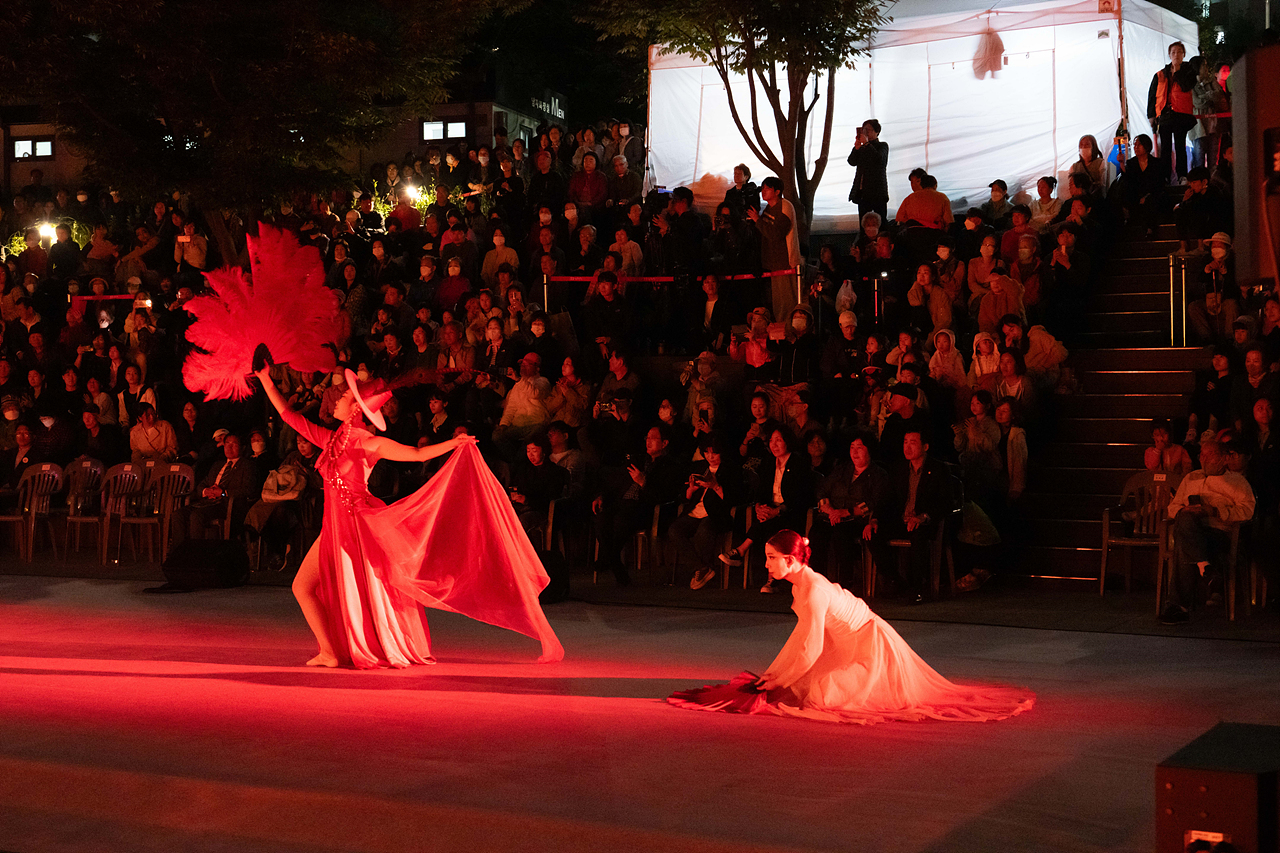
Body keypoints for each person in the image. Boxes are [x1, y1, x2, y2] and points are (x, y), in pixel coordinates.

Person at [255, 364, 563, 667]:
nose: (336, 399)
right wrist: (265, 379)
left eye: (343, 397)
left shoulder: (369, 443)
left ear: (355, 410)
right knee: (303, 587)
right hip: (334, 528)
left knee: (337, 590)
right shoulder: (332, 439)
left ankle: (339, 650)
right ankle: (330, 651)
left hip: (356, 527)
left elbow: (416, 454)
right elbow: (288, 416)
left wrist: (453, 443)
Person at [668, 529, 1034, 724]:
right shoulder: (803, 582)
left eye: (771, 559)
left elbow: (810, 647)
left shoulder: (811, 590)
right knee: (795, 686)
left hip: (868, 646)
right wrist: (775, 674)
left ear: (793, 561)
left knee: (816, 695)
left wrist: (778, 680)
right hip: (844, 643)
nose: (766, 565)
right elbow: (803, 639)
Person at [1161, 439, 1255, 624]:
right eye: (1201, 454)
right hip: (1192, 529)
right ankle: (1205, 566)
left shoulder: (1237, 481)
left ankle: (1177, 606)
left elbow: (1247, 511)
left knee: (1183, 541)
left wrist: (1215, 511)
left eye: (1209, 454)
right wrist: (1185, 510)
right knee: (1185, 520)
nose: (1203, 459)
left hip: (1218, 533)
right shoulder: (1191, 478)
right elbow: (1173, 507)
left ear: (1222, 458)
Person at [871, 430, 954, 604]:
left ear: (925, 446)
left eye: (913, 442)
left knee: (918, 536)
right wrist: (875, 519)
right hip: (901, 520)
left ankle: (917, 588)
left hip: (923, 522)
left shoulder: (938, 469)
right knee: (873, 534)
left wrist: (923, 517)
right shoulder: (898, 468)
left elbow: (946, 502)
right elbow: (886, 498)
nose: (907, 447)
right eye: (905, 442)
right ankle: (896, 580)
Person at [671, 434, 744, 590]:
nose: (710, 456)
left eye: (715, 453)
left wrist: (715, 486)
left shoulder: (731, 469)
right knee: (675, 529)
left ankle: (702, 570)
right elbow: (683, 495)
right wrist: (691, 489)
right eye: (707, 452)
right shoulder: (699, 466)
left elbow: (735, 498)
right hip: (695, 511)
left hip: (717, 513)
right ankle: (701, 568)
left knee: (704, 530)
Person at [1147, 41, 1197, 183]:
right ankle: (1165, 176)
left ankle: (1182, 176)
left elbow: (1186, 86)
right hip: (1165, 115)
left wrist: (1178, 70)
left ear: (1184, 54)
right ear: (1169, 55)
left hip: (1182, 115)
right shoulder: (1160, 74)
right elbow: (1151, 95)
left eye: (1179, 52)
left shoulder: (1189, 71)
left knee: (1181, 146)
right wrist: (1151, 116)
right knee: (1166, 149)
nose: (1176, 55)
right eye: (1173, 52)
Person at [846, 119, 889, 221]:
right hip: (863, 193)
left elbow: (879, 159)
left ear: (877, 132)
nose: (865, 132)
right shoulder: (863, 148)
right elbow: (851, 162)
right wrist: (856, 148)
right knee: (864, 222)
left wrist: (866, 144)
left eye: (868, 130)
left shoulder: (882, 146)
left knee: (881, 222)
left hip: (877, 192)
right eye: (863, 130)